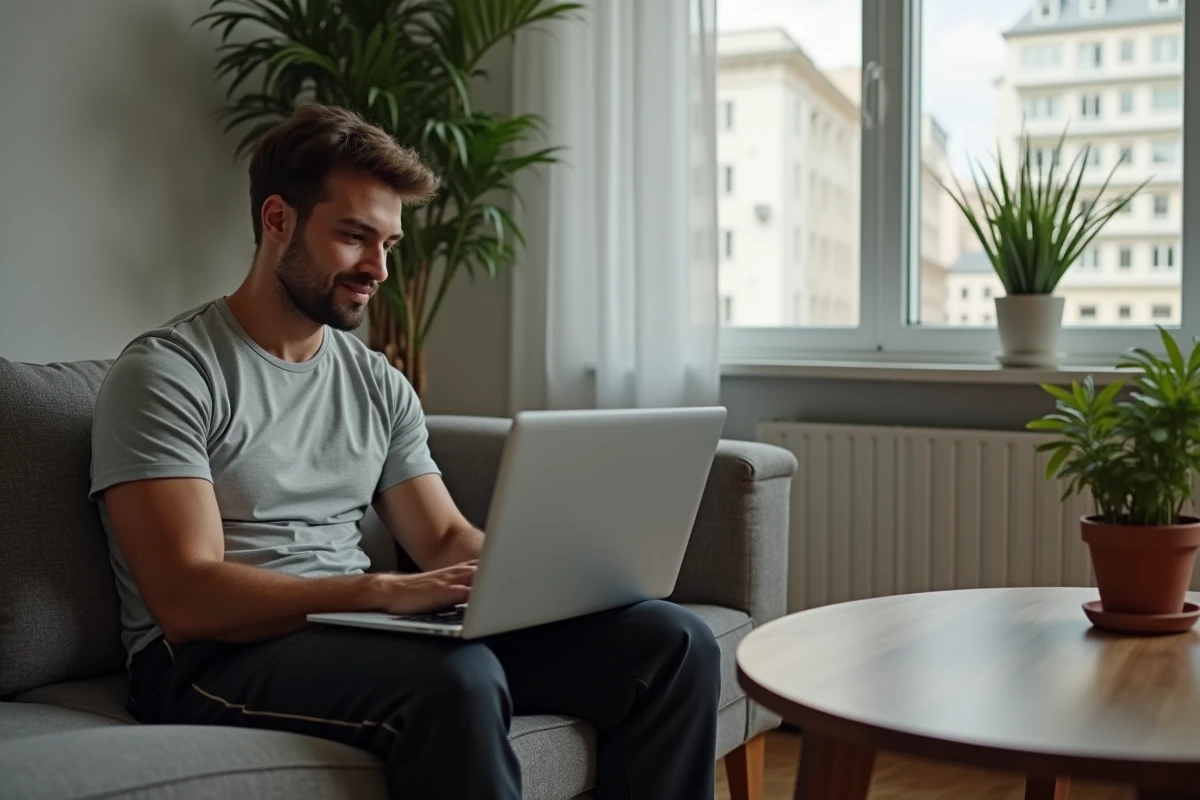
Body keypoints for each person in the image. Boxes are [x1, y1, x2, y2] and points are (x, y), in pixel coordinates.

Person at [89, 103, 720, 799]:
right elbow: (187, 595)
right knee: (459, 679)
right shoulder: (170, 373)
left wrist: (542, 579)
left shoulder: (375, 381)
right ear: (277, 221)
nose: (379, 268)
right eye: (355, 237)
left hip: (354, 631)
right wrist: (385, 593)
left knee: (671, 645)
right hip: (208, 658)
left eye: (388, 243)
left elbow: (444, 534)